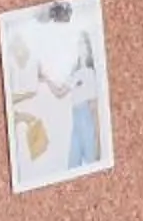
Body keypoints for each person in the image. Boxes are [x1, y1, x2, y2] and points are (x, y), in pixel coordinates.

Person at [38, 30, 105, 172]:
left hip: (87, 121)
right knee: (72, 167)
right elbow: (59, 93)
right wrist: (46, 79)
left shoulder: (90, 73)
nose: (80, 46)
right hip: (76, 122)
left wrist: (98, 142)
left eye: (83, 43)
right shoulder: (74, 74)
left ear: (88, 48)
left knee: (93, 166)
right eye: (78, 43)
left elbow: (94, 109)